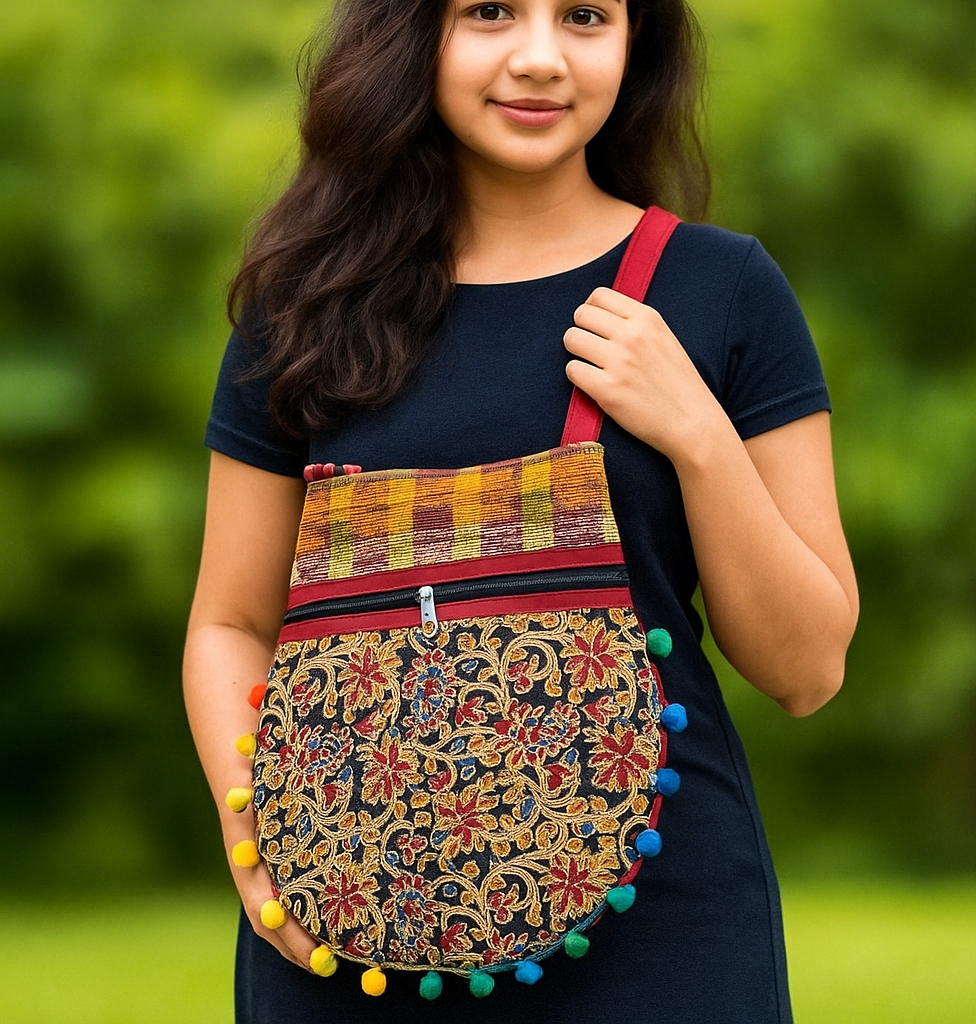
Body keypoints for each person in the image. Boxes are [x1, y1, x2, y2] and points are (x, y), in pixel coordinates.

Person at [183, 0, 859, 1020]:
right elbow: (232, 621)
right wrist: (262, 842)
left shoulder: (721, 290)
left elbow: (805, 670)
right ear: (413, 34)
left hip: (659, 944)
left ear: (637, 45)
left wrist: (698, 434)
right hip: (341, 942)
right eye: (490, 11)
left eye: (585, 16)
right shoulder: (303, 302)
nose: (539, 58)